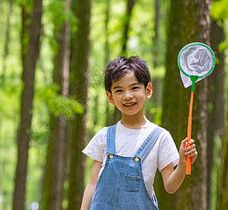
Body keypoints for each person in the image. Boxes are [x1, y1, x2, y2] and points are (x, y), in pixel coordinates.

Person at [80, 56, 198, 210]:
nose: (127, 96)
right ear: (110, 97)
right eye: (119, 90)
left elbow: (170, 186)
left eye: (134, 88)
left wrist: (182, 164)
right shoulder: (104, 136)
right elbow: (92, 182)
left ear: (148, 90)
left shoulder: (160, 137)